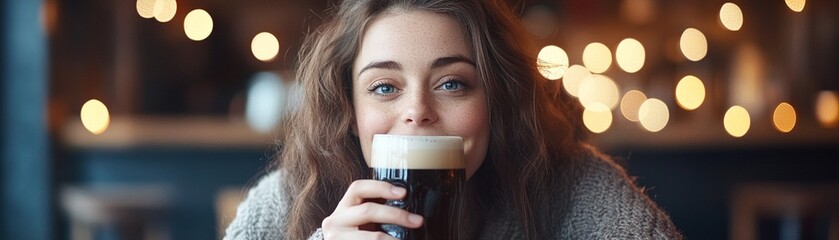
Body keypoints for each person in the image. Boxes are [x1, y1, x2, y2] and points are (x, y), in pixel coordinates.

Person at [225, 0, 682, 239]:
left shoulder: (567, 184)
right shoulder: (293, 195)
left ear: (497, 99)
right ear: (350, 110)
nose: (417, 110)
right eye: (384, 87)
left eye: (451, 84)